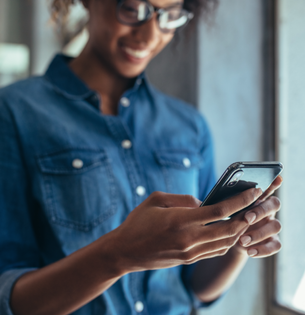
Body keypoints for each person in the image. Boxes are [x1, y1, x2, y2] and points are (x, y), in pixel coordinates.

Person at [0, 0, 282, 314]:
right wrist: (118, 255)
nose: (149, 36)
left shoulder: (189, 126)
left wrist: (237, 238)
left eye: (169, 16)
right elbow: (10, 298)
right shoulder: (13, 112)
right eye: (132, 9)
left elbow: (194, 287)